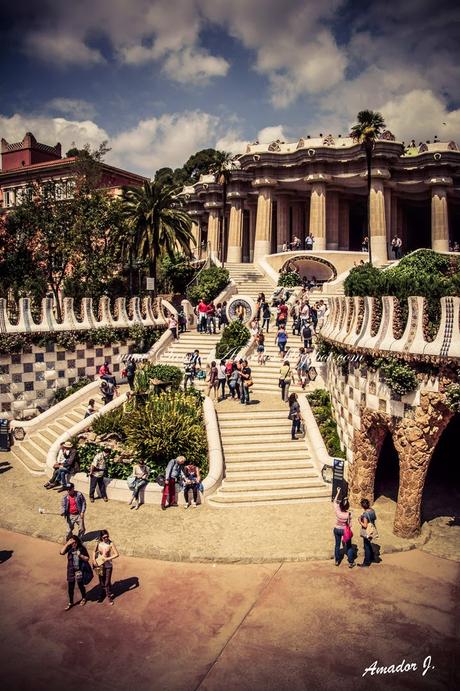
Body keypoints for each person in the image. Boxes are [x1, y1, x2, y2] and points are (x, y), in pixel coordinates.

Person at [61, 535, 91, 610]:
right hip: (71, 570)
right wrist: (67, 544)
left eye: (75, 542)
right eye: (72, 543)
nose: (73, 544)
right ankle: (70, 602)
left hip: (79, 571)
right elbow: (61, 552)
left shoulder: (81, 548)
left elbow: (87, 558)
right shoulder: (69, 548)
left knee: (80, 585)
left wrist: (80, 555)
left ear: (77, 541)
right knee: (70, 587)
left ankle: (84, 598)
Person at [93, 529, 119, 604]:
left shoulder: (110, 543)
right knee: (101, 581)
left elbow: (117, 554)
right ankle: (103, 592)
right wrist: (94, 560)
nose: (106, 538)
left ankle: (109, 597)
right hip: (99, 564)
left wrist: (107, 558)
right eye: (104, 537)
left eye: (107, 536)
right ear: (101, 537)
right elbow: (94, 551)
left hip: (108, 565)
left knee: (107, 582)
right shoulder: (98, 543)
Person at [333, 487, 355, 568]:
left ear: (340, 505)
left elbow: (335, 501)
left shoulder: (337, 511)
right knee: (349, 546)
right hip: (345, 530)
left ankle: (337, 561)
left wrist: (338, 492)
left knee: (337, 545)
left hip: (337, 529)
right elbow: (350, 525)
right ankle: (350, 562)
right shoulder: (348, 514)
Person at [358, 499, 378, 568]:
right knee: (369, 544)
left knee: (366, 545)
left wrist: (360, 521)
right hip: (372, 529)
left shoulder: (365, 514)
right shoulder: (372, 510)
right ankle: (372, 557)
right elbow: (374, 518)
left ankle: (366, 562)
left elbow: (365, 525)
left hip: (367, 531)